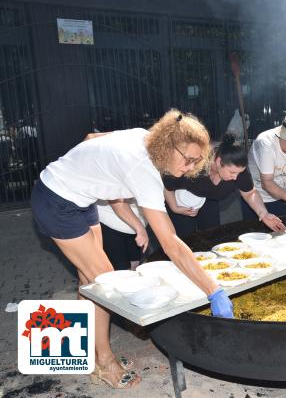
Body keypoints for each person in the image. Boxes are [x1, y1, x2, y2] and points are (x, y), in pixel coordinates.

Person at [30, 109, 234, 389]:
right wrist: (213, 290)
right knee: (104, 281)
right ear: (168, 145)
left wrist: (88, 172)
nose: (189, 168)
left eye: (196, 162)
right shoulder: (144, 169)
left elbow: (92, 137)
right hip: (57, 201)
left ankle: (84, 351)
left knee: (89, 281)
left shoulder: (144, 136)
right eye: (187, 159)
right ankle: (104, 361)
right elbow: (170, 243)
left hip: (83, 200)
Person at [163, 133, 286, 237]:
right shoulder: (194, 166)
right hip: (181, 200)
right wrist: (174, 207)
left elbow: (250, 193)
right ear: (218, 161)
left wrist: (263, 213)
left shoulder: (238, 170)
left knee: (211, 235)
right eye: (232, 172)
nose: (236, 178)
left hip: (210, 200)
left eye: (239, 173)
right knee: (184, 238)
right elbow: (166, 185)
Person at [244, 113, 286, 218]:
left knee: (283, 232)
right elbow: (267, 183)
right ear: (281, 133)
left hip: (283, 198)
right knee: (257, 233)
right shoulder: (265, 144)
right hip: (256, 198)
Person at [97, 199, 147, 271]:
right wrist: (140, 229)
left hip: (136, 223)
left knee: (136, 264)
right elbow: (116, 202)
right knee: (122, 269)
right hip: (109, 222)